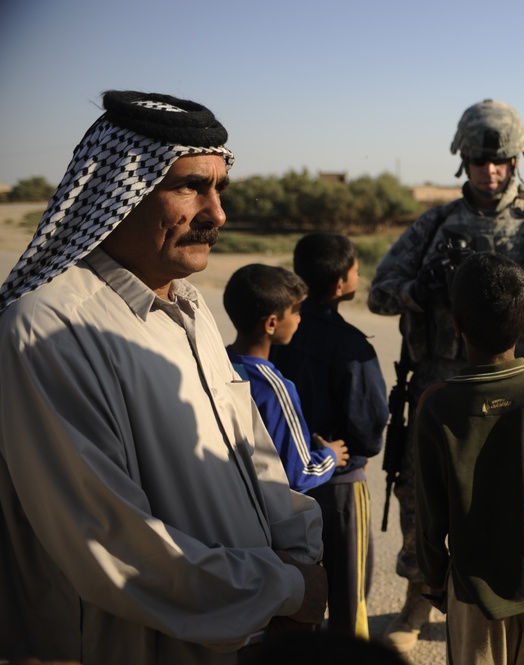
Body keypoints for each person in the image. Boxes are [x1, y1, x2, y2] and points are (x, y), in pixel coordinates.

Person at [0, 90, 326, 665]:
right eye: (188, 186)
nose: (216, 214)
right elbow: (113, 542)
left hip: (251, 630)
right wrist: (284, 590)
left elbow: (256, 454)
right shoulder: (49, 327)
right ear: (118, 192)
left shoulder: (191, 309)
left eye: (219, 188)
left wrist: (297, 562)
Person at [367, 98, 524, 653]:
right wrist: (424, 291)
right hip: (442, 391)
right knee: (423, 496)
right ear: (461, 161)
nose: (490, 172)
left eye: (501, 162)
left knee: (522, 501)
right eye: (478, 161)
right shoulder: (436, 223)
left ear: (516, 162)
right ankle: (420, 597)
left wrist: (491, 301)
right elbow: (380, 290)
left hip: (520, 390)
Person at [414, 252, 524, 665]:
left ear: (456, 324)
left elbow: (430, 514)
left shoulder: (437, 405)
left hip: (475, 593)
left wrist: (434, 580)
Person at [270, 233, 388, 640]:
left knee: (296, 589)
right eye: (356, 269)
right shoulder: (350, 344)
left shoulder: (280, 329)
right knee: (346, 594)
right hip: (339, 486)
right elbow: (370, 432)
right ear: (341, 283)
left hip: (284, 483)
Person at [222, 263, 349, 492]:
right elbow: (299, 475)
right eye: (296, 311)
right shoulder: (276, 389)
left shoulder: (217, 362)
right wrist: (331, 455)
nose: (300, 319)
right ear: (271, 323)